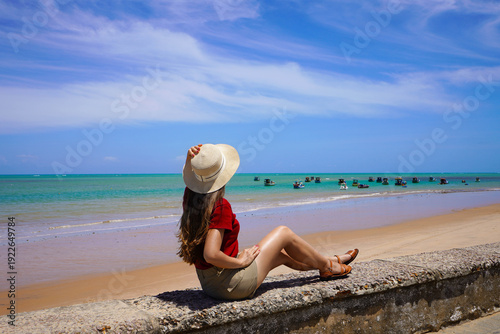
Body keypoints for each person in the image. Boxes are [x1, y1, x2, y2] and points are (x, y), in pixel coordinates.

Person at [177, 143, 358, 300]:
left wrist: (190, 160)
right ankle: (328, 266)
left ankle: (328, 262)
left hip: (210, 284)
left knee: (280, 255)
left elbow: (192, 181)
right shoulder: (220, 205)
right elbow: (211, 254)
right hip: (230, 286)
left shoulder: (190, 196)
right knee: (283, 232)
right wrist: (240, 263)